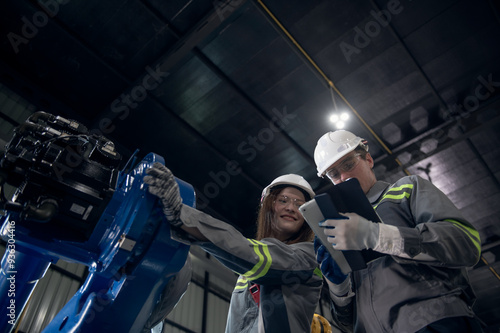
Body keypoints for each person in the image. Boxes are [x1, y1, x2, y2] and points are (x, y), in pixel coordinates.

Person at [312, 130, 483, 333]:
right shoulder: (340, 230)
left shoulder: (407, 189)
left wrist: (378, 236)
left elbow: (466, 244)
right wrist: (338, 287)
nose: (344, 177)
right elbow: (348, 324)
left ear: (368, 159)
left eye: (349, 164)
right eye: (333, 174)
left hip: (434, 323)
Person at [144, 164, 323, 333]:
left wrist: (181, 214)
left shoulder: (309, 256)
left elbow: (257, 256)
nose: (291, 208)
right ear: (269, 206)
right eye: (283, 200)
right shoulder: (248, 272)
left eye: (300, 205)